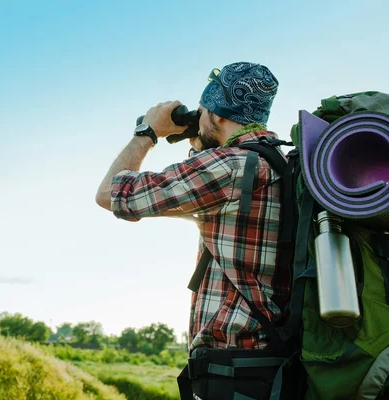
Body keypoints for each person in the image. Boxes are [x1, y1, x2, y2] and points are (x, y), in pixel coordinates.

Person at [95, 62, 292, 399]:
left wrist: (147, 132)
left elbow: (111, 193)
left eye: (203, 112)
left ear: (216, 116)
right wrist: (201, 138)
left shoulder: (227, 168)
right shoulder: (280, 164)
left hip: (231, 370)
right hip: (271, 365)